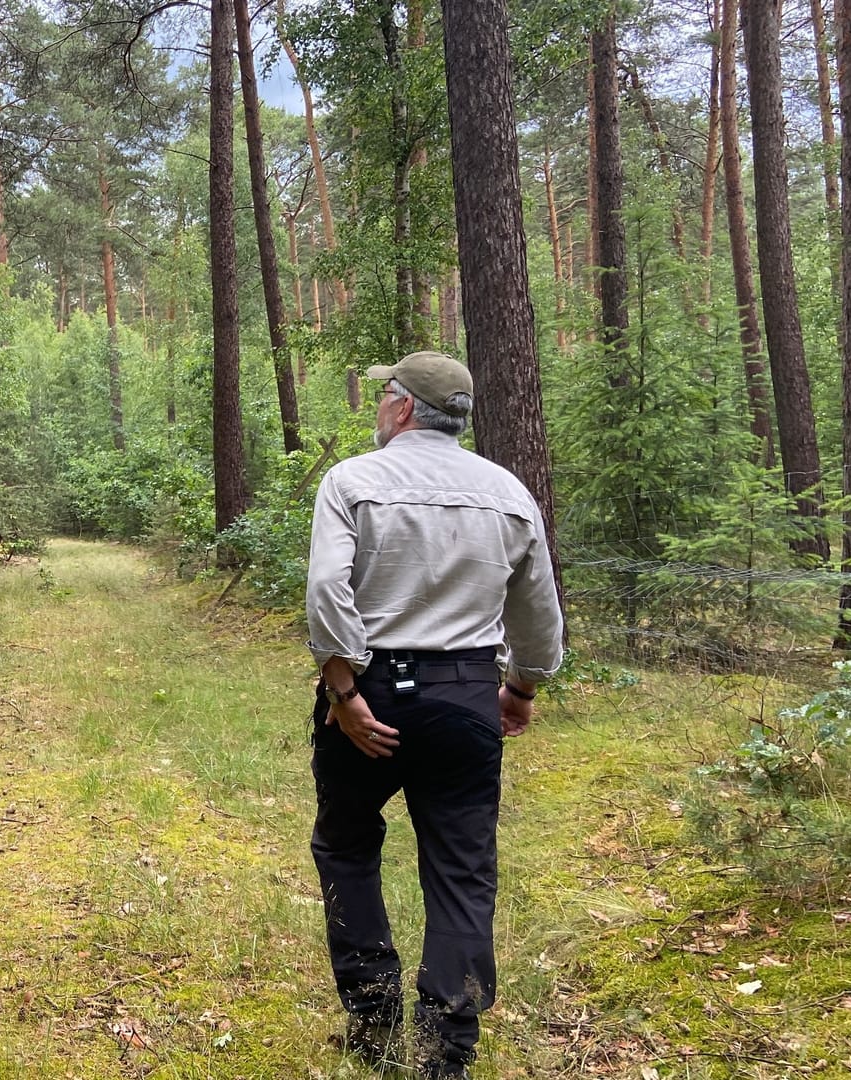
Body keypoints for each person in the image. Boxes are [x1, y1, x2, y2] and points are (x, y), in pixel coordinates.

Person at [304, 350, 564, 1079]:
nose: (381, 404)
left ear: (406, 406)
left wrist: (345, 693)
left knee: (348, 846)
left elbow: (328, 590)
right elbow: (538, 610)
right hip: (467, 695)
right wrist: (523, 687)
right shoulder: (507, 492)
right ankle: (446, 1047)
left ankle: (375, 1016)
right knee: (461, 867)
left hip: (374, 691)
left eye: (386, 392)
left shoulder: (353, 480)